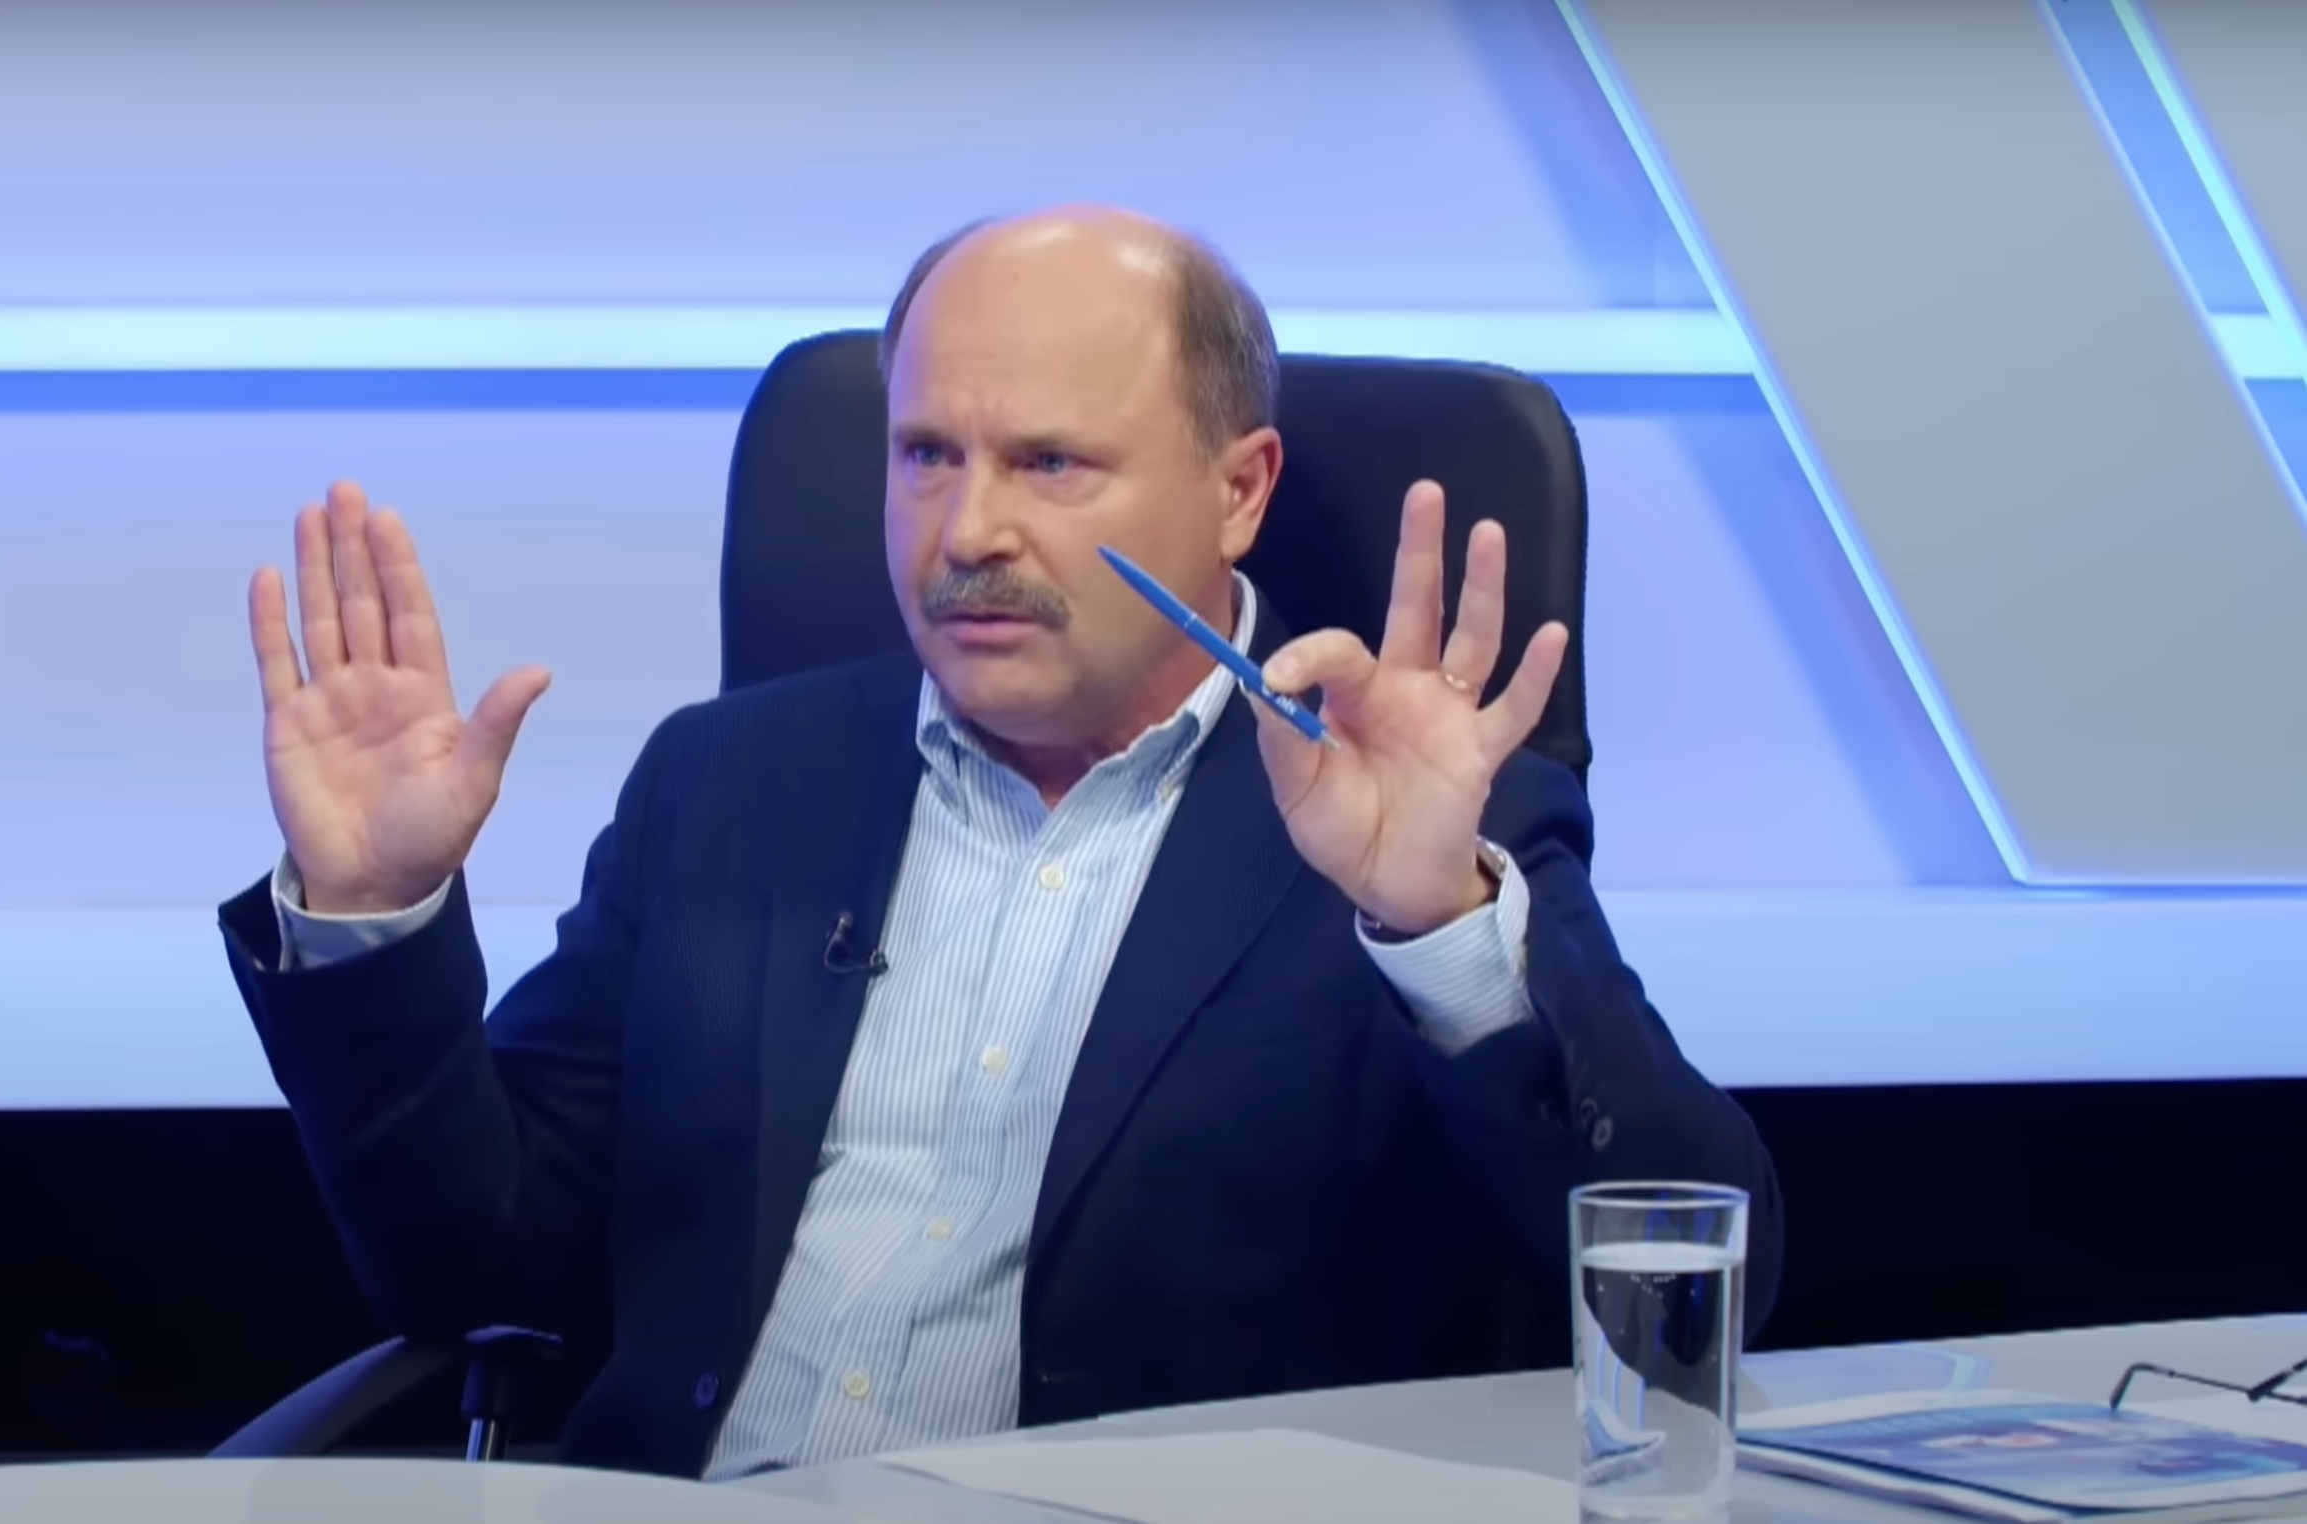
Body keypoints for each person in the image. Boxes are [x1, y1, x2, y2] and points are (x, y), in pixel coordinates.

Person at [221, 205, 1780, 1479]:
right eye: (924, 455)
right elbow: (476, 1273)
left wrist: (1438, 927)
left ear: (1238, 491)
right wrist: (376, 911)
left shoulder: (1407, 819)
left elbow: (1702, 1294)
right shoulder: (728, 780)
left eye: (1048, 463)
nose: (965, 533)